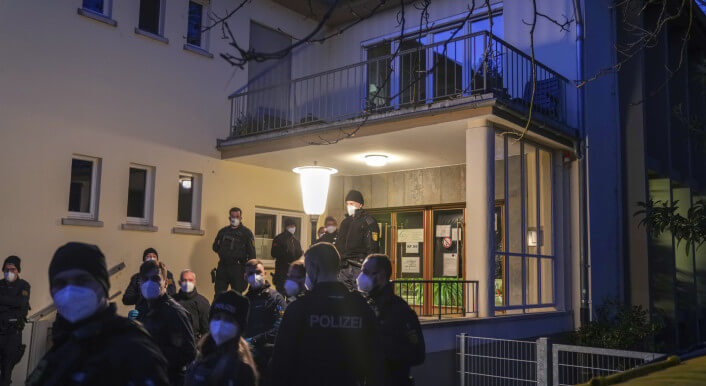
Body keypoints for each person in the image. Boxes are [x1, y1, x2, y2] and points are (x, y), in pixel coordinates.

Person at [26, 242, 169, 386]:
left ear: (102, 286)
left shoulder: (133, 347)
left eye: (82, 280)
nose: (70, 291)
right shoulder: (63, 345)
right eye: (61, 283)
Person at [269, 243, 383, 386]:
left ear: (313, 267)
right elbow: (376, 358)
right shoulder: (360, 306)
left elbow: (280, 362)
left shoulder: (300, 308)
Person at [358, 254, 425, 386]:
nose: (361, 276)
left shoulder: (400, 310)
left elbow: (418, 354)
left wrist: (381, 351)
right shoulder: (365, 305)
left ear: (381, 275)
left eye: (366, 272)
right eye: (361, 271)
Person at [139, 259, 196, 386]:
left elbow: (189, 352)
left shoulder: (175, 312)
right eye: (145, 279)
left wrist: (154, 353)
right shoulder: (144, 310)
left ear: (165, 283)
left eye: (155, 279)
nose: (149, 283)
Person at [185, 290, 257, 386]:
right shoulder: (197, 364)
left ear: (239, 327)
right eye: (217, 317)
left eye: (228, 320)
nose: (220, 324)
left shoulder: (242, 372)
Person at [243, 259, 286, 381]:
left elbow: (280, 328)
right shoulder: (244, 301)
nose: (255, 276)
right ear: (245, 277)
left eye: (258, 272)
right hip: (249, 357)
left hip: (269, 355)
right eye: (251, 273)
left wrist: (255, 340)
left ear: (264, 274)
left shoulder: (276, 298)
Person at [335, 190, 381, 291]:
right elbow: (339, 244)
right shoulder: (345, 222)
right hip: (344, 267)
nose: (349, 206)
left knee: (361, 297)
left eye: (352, 203)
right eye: (347, 204)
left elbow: (372, 247)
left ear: (360, 205)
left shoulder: (368, 221)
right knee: (344, 298)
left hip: (359, 267)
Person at [122, 247, 176, 320]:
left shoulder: (166, 275)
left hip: (162, 313)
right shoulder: (137, 277)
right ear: (144, 260)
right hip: (142, 314)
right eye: (148, 256)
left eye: (154, 256)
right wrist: (142, 294)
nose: (151, 257)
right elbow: (126, 299)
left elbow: (172, 293)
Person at [0, 256, 30, 386]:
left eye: (13, 269)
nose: (9, 272)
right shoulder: (0, 284)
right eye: (6, 269)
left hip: (13, 334)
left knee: (7, 372)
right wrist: (12, 304)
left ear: (18, 271)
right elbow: (16, 303)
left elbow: (21, 303)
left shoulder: (24, 285)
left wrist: (3, 302)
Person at [212, 207, 256, 294]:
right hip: (223, 266)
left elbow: (252, 255)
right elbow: (215, 247)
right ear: (229, 218)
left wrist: (249, 272)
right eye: (233, 216)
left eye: (237, 216)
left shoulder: (246, 233)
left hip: (238, 268)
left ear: (240, 218)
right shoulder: (223, 232)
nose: (235, 219)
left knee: (237, 296)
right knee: (219, 295)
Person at [174, 269, 211, 342]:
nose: (187, 283)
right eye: (184, 280)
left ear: (195, 282)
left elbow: (206, 330)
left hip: (194, 344)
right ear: (179, 282)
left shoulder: (203, 302)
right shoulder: (172, 301)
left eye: (190, 280)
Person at [270, 218, 303, 294]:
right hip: (281, 272)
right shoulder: (279, 239)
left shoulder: (295, 241)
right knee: (281, 294)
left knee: (291, 295)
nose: (293, 228)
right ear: (286, 227)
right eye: (290, 226)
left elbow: (298, 254)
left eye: (294, 226)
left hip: (292, 273)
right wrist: (285, 253)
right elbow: (273, 253)